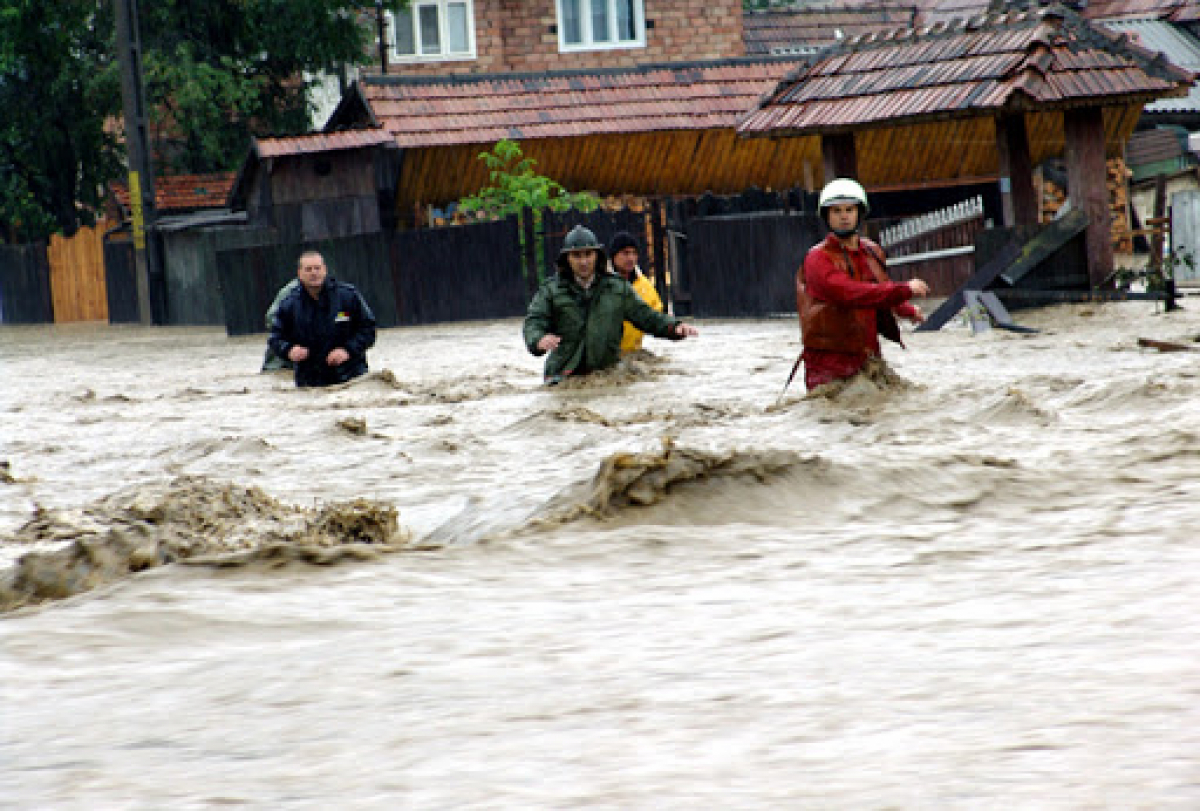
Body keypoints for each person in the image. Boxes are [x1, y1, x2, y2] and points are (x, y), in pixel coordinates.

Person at [796, 178, 929, 391]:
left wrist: (906, 309)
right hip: (829, 367)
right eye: (837, 211)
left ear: (859, 213)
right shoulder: (817, 259)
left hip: (868, 358)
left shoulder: (872, 251)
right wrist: (903, 291)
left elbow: (880, 288)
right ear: (827, 216)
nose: (844, 216)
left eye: (849, 209)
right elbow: (849, 293)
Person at [524, 225, 698, 383]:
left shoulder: (617, 288)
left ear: (597, 256)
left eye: (588, 254)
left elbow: (646, 316)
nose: (583, 261)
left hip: (606, 374)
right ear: (567, 259)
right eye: (577, 255)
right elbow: (534, 322)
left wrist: (674, 327)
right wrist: (539, 340)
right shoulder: (551, 290)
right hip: (561, 376)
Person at [268, 251, 377, 387]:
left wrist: (347, 351)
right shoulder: (289, 304)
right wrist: (289, 350)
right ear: (299, 273)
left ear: (325, 269)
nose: (314, 273)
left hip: (351, 377)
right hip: (309, 383)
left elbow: (368, 330)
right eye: (308, 269)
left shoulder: (348, 297)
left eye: (317, 268)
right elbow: (275, 338)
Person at [608, 230, 664, 354]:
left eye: (634, 253)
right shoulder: (600, 282)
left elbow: (657, 315)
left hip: (632, 353)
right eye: (625, 253)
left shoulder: (644, 285)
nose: (631, 258)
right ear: (613, 256)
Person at [260, 279, 300, 372]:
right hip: (282, 363)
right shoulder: (292, 290)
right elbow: (271, 318)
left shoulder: (334, 292)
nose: (314, 273)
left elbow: (340, 316)